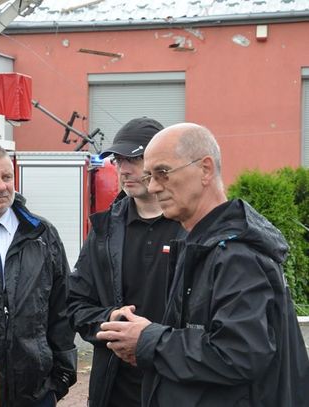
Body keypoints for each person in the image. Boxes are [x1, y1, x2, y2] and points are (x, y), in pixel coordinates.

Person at [97, 123, 309, 406]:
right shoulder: (201, 244)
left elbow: (239, 354)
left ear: (205, 169)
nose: (153, 186)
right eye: (149, 175)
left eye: (162, 173)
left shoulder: (237, 254)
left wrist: (149, 340)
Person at [67, 117, 183, 407]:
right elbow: (75, 304)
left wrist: (153, 340)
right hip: (115, 391)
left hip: (178, 387)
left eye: (134, 158)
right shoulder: (105, 231)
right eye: (118, 160)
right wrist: (112, 321)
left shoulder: (190, 227)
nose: (123, 169)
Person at [0, 142, 77, 407]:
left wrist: (60, 379)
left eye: (7, 176)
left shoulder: (41, 234)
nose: (2, 186)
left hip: (36, 392)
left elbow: (62, 308)